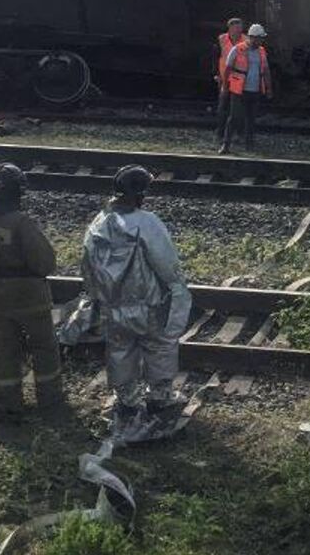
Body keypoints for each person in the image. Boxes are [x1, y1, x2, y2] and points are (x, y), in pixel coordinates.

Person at [80, 165, 194, 441]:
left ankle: (128, 401)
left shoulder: (99, 223)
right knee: (159, 347)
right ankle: (160, 398)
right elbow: (167, 266)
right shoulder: (147, 222)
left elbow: (87, 265)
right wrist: (178, 292)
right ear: (141, 193)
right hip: (149, 304)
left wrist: (98, 297)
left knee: (120, 350)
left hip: (114, 306)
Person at [0, 162, 63, 418]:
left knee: (5, 349)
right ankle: (50, 400)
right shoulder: (21, 222)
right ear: (16, 192)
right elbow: (44, 262)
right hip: (27, 295)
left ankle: (8, 402)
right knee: (43, 347)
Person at [216, 23, 272, 154]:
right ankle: (226, 145)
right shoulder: (238, 49)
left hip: (255, 90)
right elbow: (228, 68)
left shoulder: (262, 51)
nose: (260, 41)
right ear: (251, 37)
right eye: (258, 38)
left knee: (251, 119)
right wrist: (225, 86)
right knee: (234, 118)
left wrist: (269, 88)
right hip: (239, 90)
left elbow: (266, 70)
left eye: (261, 38)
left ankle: (249, 145)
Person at [214, 18, 246, 116]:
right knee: (223, 102)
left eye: (240, 28)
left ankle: (235, 127)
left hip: (239, 77)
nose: (238, 30)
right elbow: (216, 57)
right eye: (236, 28)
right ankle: (221, 127)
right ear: (230, 28)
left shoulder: (246, 40)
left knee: (237, 104)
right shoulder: (222, 39)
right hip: (224, 76)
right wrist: (216, 74)